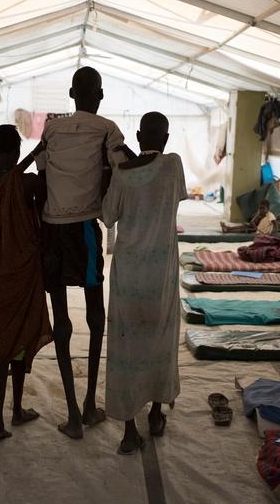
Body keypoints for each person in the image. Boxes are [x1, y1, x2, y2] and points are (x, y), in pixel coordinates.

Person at [36, 66, 135, 438]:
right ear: (100, 95)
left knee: (62, 321)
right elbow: (124, 165)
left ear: (71, 93)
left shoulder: (52, 128)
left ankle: (73, 415)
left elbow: (42, 176)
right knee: (96, 316)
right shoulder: (108, 129)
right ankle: (90, 404)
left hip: (51, 229)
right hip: (83, 231)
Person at [102, 112, 188, 454]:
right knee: (160, 341)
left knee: (125, 348)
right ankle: (154, 414)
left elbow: (107, 216)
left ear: (137, 136)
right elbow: (169, 185)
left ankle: (128, 430)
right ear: (166, 139)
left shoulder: (122, 175)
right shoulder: (173, 166)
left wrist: (115, 169)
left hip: (128, 274)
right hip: (161, 275)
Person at [0, 125, 53, 441]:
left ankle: (3, 417)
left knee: (4, 343)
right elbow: (42, 195)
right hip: (21, 273)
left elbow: (10, 180)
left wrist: (34, 156)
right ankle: (9, 413)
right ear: (18, 152)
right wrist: (40, 155)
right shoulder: (24, 181)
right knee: (17, 341)